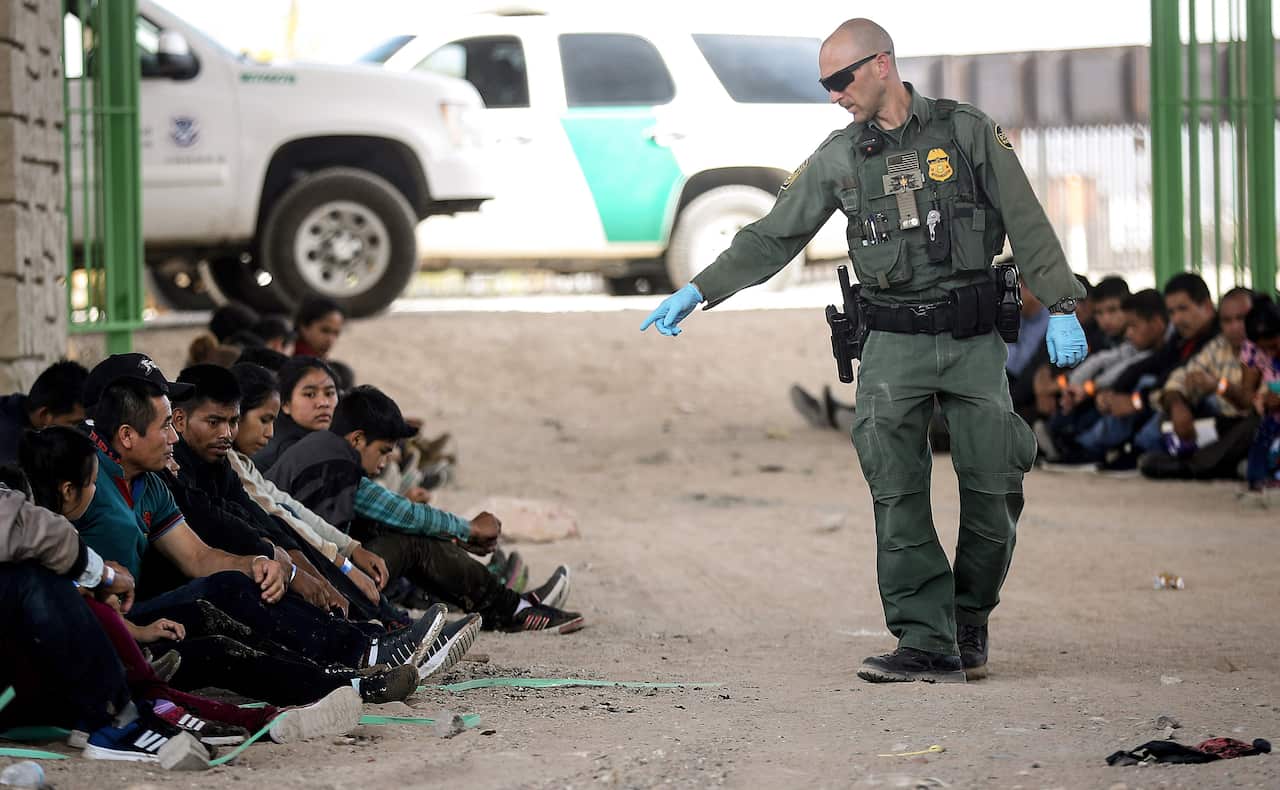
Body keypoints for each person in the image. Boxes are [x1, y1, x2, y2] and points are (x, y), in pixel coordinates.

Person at [641, 18, 1088, 684]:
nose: (833, 95)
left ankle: (968, 618)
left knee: (995, 482)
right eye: (824, 84)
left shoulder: (966, 131)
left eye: (840, 80)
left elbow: (1025, 218)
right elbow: (773, 237)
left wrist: (1060, 304)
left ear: (881, 65)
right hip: (891, 344)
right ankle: (926, 640)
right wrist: (701, 289)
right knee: (896, 489)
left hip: (970, 340)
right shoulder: (841, 156)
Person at [74, 353, 441, 673]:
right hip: (112, 621)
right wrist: (282, 562)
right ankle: (364, 652)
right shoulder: (80, 474)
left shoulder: (156, 478)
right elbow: (215, 525)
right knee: (239, 593)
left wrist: (268, 561)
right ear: (123, 425)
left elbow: (231, 534)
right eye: (165, 421)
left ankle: (371, 641)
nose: (173, 434)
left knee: (266, 561)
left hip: (143, 610)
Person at [266, 385, 584, 635]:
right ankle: (512, 608)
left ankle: (512, 605)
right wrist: (469, 528)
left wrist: (458, 536)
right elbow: (405, 513)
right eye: (384, 451)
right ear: (358, 439)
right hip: (317, 586)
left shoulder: (319, 449)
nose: (385, 462)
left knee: (399, 531)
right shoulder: (335, 461)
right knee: (412, 539)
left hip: (309, 574)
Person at [1139, 287, 1258, 480]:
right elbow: (1179, 379)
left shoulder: (1267, 346)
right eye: (1227, 321)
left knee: (1255, 424)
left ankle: (1194, 466)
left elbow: (1251, 404)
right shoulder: (1219, 345)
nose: (1235, 327)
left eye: (1241, 319)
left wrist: (1219, 386)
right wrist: (1178, 406)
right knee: (1172, 406)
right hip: (1221, 425)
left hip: (1247, 424)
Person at [253, 356, 337, 470]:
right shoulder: (286, 451)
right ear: (285, 404)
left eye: (329, 393)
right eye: (310, 394)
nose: (323, 403)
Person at [0, 359, 89, 464]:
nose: (83, 432)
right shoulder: (11, 449)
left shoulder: (19, 406)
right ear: (44, 414)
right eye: (74, 423)